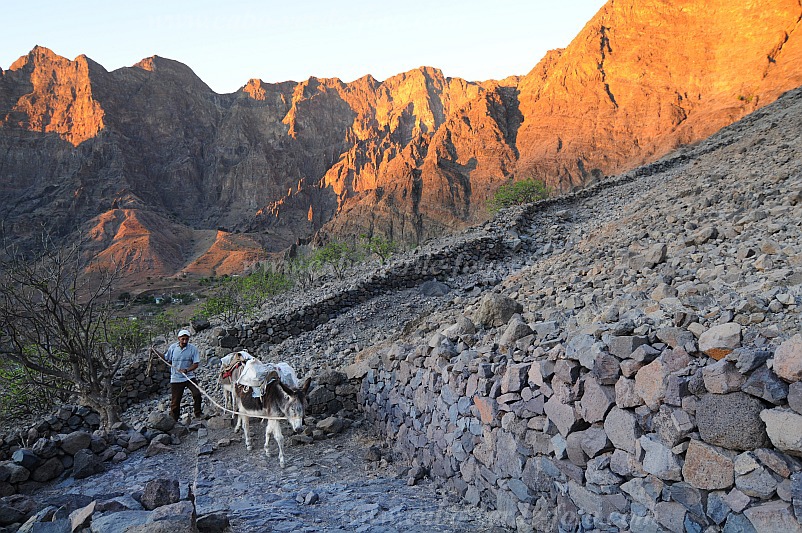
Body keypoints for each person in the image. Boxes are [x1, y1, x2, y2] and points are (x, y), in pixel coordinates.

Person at [157, 329, 202, 421]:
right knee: (175, 401)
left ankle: (198, 413)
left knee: (197, 394)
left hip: (189, 376)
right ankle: (174, 419)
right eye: (183, 339)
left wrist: (187, 370)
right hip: (176, 378)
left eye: (186, 339)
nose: (185, 341)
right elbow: (166, 358)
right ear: (179, 339)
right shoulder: (173, 348)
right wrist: (156, 352)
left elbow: (196, 364)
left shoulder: (193, 349)